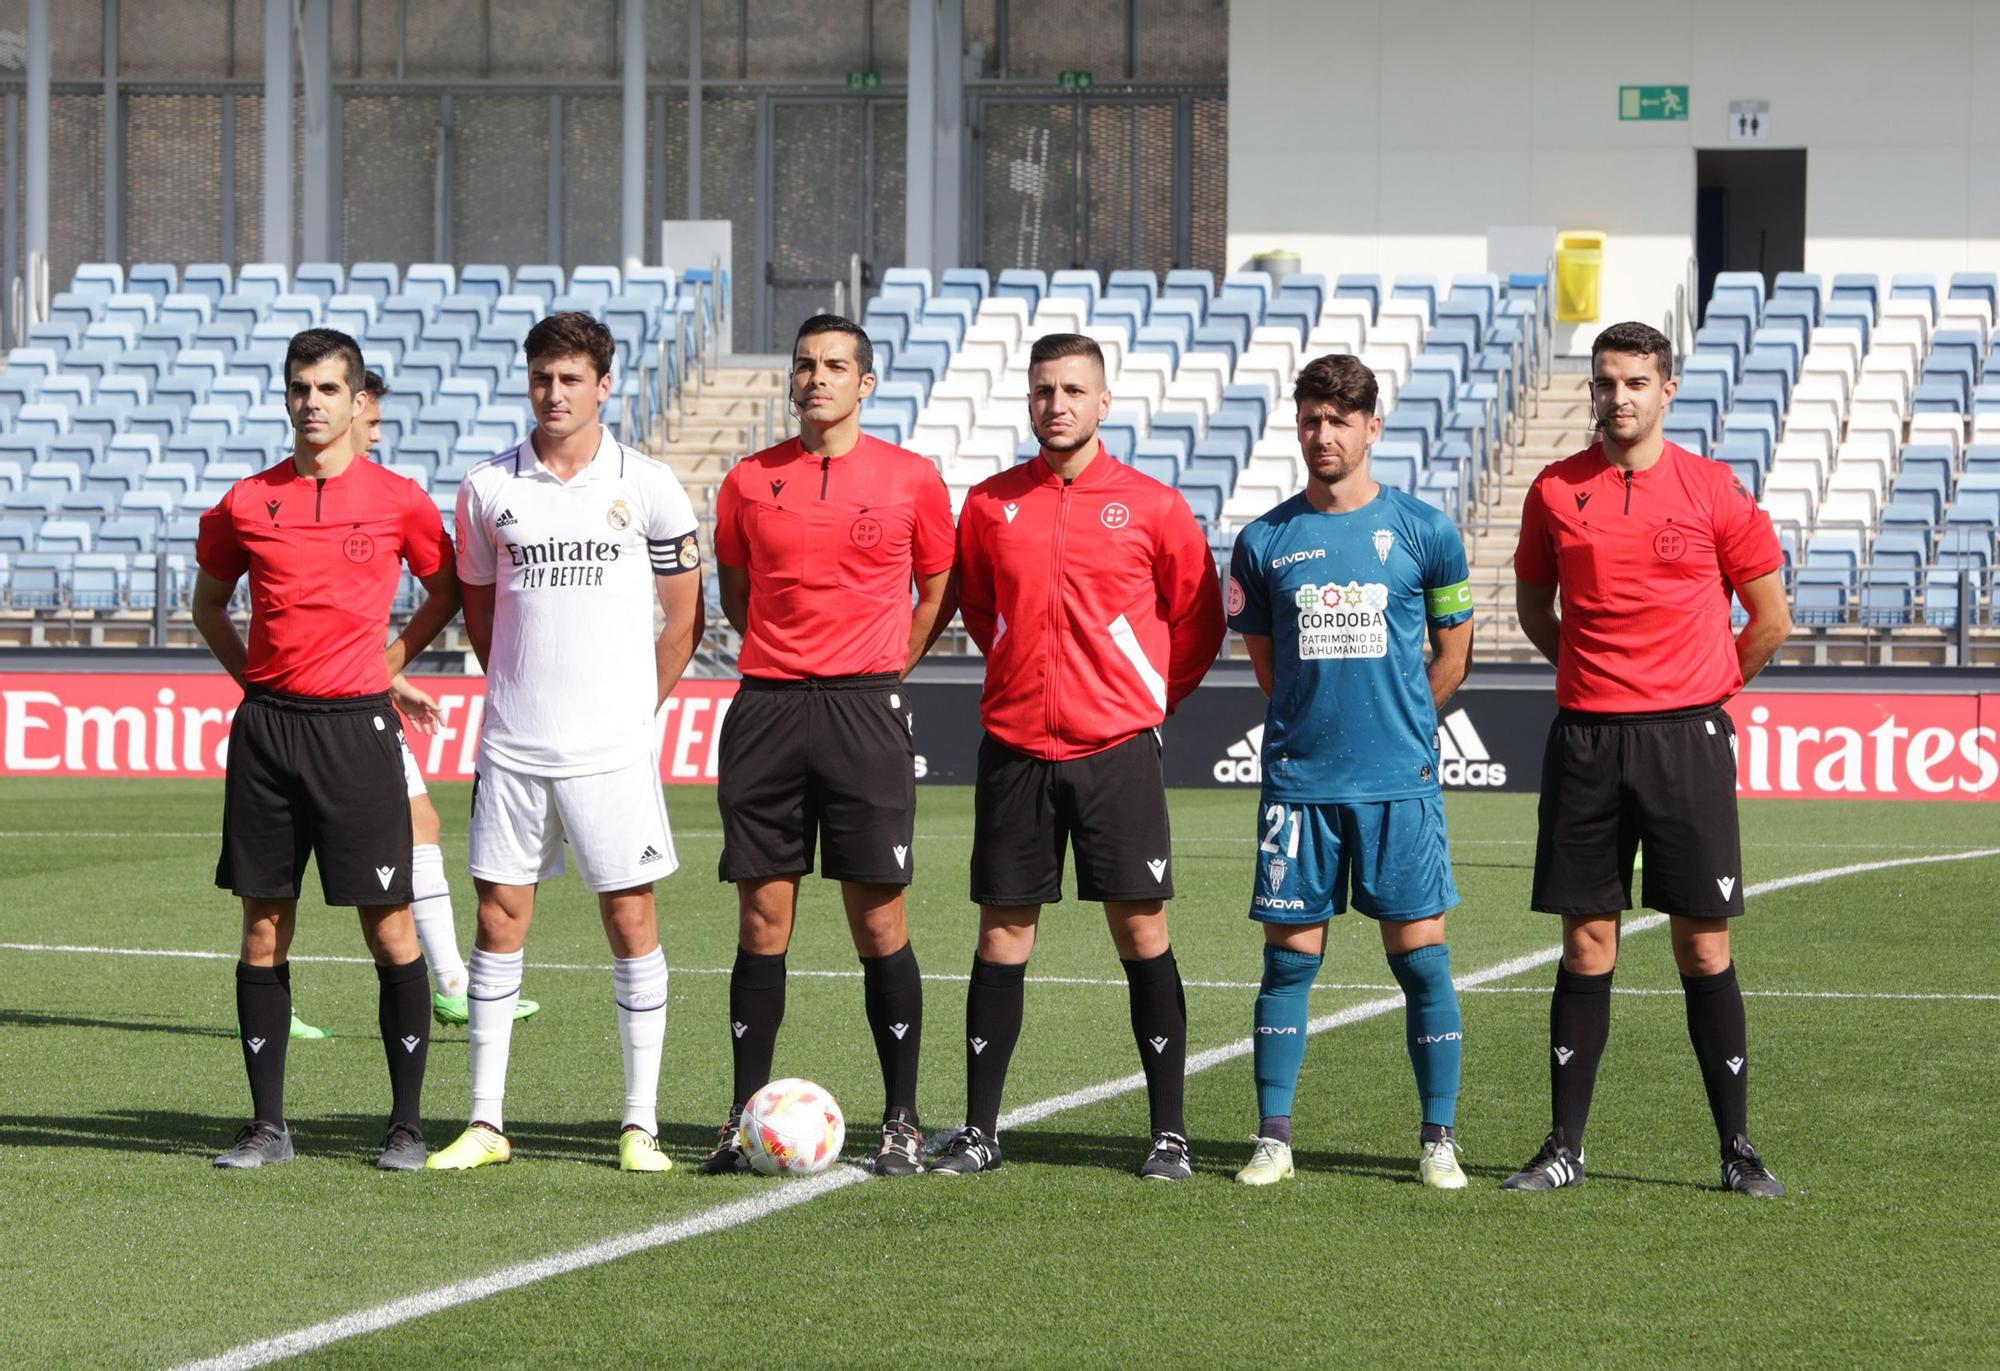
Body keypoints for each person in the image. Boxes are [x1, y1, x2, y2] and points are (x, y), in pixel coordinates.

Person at [1504, 320, 1792, 1197]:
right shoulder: (1555, 491)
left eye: (1635, 381)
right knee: (1587, 940)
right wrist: (1599, 680)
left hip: (1686, 740)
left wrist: (1699, 692)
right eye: (1605, 381)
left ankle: (1738, 1149)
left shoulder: (1713, 491)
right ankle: (1564, 1146)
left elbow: (1769, 619)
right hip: (1588, 739)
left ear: (1667, 390)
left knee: (1701, 946)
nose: (1618, 396)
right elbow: (1535, 608)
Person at [932, 332, 1225, 1181]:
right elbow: (981, 609)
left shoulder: (1155, 505)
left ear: (1103, 402)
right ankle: (981, 1130)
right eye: (1042, 390)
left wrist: (1144, 703)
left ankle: (1169, 1131)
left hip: (1116, 752)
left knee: (1141, 929)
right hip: (1016, 749)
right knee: (1002, 933)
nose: (1055, 404)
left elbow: (1196, 620)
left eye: (1071, 390)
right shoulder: (990, 504)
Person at [425, 313, 702, 1175]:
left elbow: (684, 618)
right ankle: (485, 1121)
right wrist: (515, 684)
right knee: (499, 920)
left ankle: (639, 1122)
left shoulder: (649, 485)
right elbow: (478, 605)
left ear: (604, 385)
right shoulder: (486, 489)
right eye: (543, 377)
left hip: (611, 751)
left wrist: (632, 711)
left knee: (631, 919)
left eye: (571, 379)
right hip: (513, 745)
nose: (554, 394)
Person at [193, 327, 460, 1171]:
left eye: (328, 389)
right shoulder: (245, 501)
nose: (313, 403)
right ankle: (268, 1125)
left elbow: (446, 586)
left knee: (390, 929)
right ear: (287, 397)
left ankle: (407, 1123)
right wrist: (258, 683)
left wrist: (391, 662)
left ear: (357, 401)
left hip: (357, 732)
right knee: (264, 926)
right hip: (269, 731)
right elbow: (210, 605)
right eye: (300, 388)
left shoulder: (398, 499)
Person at [702, 314, 954, 1177]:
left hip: (864, 713)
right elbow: (738, 591)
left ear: (865, 382)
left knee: (878, 918)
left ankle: (902, 1119)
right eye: (805, 365)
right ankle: (741, 1117)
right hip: (769, 709)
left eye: (836, 366)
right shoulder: (746, 481)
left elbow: (936, 588)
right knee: (762, 917)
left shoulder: (912, 478)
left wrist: (883, 666)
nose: (817, 378)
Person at [1223, 352, 1475, 1188]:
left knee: (1422, 959)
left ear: (1372, 426)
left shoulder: (1425, 531)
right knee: (1289, 959)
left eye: (1339, 420)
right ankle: (1273, 1138)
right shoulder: (1263, 542)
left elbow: (1453, 653)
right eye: (1310, 419)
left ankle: (1438, 1139)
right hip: (1301, 786)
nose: (1322, 434)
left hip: (1400, 783)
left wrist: (1402, 727)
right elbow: (1270, 670)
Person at [282, 371, 541, 1039]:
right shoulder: (305, 496)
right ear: (356, 408)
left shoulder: (374, 497)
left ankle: (449, 981)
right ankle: (447, 983)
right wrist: (381, 671)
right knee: (302, 853)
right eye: (373, 420)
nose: (377, 432)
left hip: (356, 695)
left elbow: (341, 620)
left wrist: (386, 673)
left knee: (417, 822)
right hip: (315, 709)